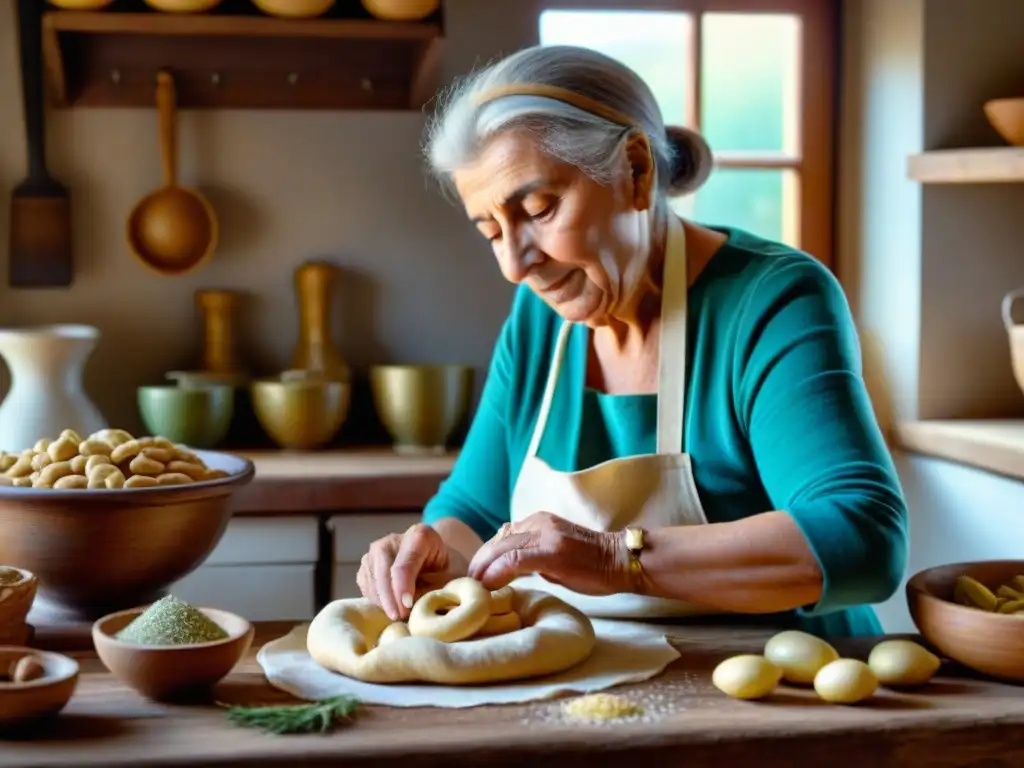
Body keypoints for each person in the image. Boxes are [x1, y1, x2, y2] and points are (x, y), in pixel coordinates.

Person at [356, 44, 908, 637]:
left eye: (539, 209)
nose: (516, 266)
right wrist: (430, 554)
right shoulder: (540, 319)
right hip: (608, 702)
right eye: (491, 230)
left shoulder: (771, 300)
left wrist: (616, 557)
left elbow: (862, 536)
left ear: (637, 172)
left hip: (791, 690)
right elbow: (476, 512)